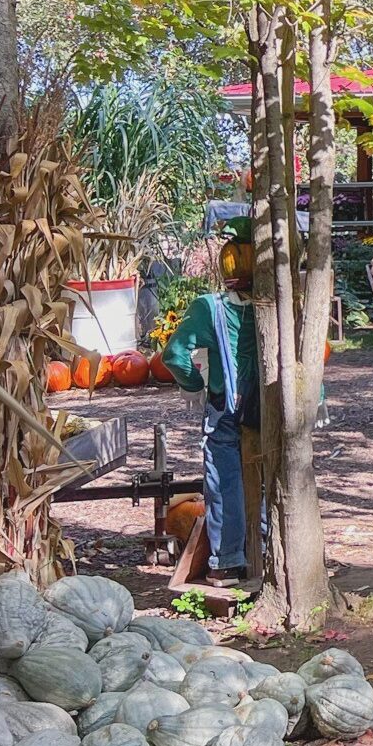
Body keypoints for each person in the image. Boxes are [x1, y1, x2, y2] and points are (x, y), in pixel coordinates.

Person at [162, 242, 259, 587]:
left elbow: (174, 355)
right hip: (270, 408)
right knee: (268, 476)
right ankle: (268, 554)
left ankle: (229, 562)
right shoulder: (280, 302)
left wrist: (192, 385)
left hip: (227, 406)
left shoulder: (211, 307)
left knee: (224, 480)